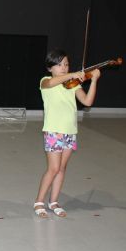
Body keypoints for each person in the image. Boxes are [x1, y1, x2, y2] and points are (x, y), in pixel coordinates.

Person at [34, 49, 100, 218]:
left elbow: (87, 101)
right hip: (54, 131)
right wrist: (72, 74)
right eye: (59, 64)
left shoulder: (74, 84)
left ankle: (54, 201)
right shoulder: (46, 81)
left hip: (70, 131)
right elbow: (55, 81)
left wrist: (93, 80)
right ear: (50, 68)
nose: (63, 67)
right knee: (53, 168)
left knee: (62, 169)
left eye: (66, 64)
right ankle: (39, 202)